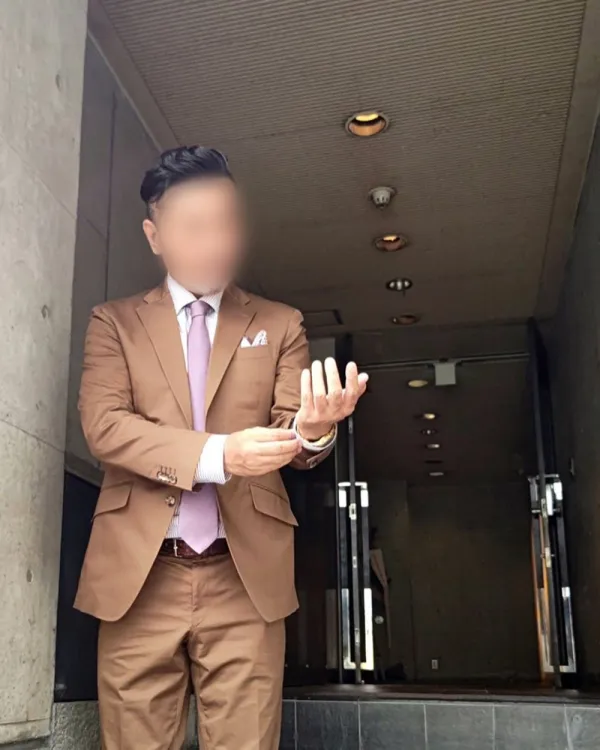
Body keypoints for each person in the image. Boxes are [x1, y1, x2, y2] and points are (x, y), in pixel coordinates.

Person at [74, 146, 368, 750]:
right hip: (139, 573)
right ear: (155, 236)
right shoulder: (115, 323)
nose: (216, 242)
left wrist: (312, 429)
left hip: (244, 572)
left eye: (227, 223)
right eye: (195, 227)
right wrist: (219, 456)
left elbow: (294, 433)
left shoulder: (280, 323)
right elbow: (104, 426)